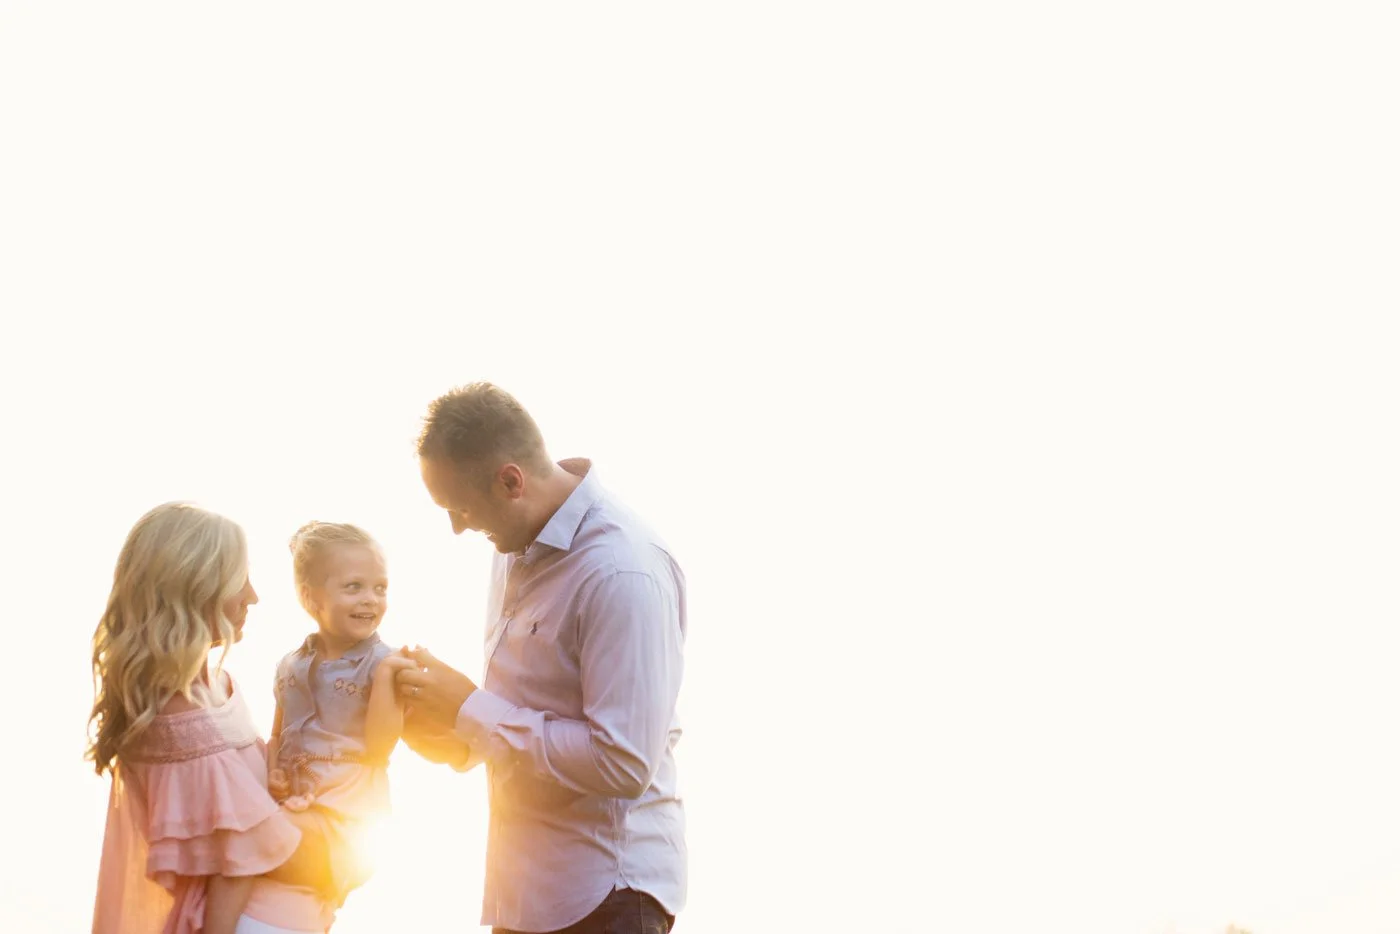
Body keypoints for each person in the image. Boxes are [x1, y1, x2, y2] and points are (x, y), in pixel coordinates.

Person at [394, 381, 688, 934]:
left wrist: (469, 707)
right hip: (525, 892)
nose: (457, 527)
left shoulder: (622, 571)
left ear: (511, 481)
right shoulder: (514, 541)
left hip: (606, 898)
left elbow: (622, 762)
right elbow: (527, 709)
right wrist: (449, 732)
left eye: (460, 507)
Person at [87, 502, 343, 934]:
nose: (253, 596)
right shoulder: (179, 721)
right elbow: (242, 856)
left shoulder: (216, 686)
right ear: (194, 586)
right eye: (238, 579)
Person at [266, 521, 406, 911]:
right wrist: (274, 773)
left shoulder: (382, 664)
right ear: (310, 598)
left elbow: (379, 749)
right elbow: (278, 735)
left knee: (250, 839)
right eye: (354, 587)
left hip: (347, 816)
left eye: (380, 588)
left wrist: (388, 678)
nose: (371, 600)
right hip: (295, 804)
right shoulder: (289, 665)